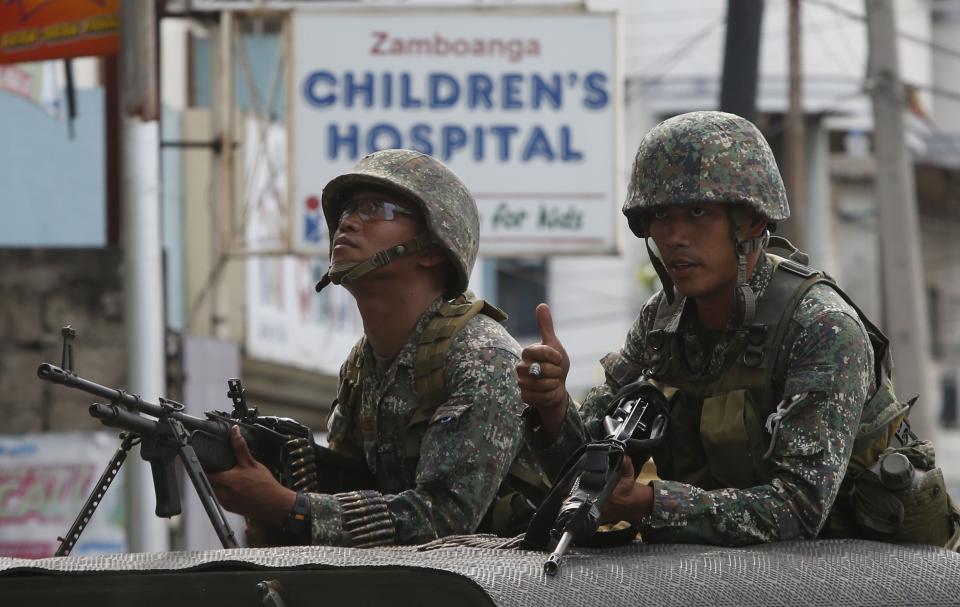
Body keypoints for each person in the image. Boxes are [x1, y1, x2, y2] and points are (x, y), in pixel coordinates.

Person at [519, 111, 959, 548]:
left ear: (751, 220)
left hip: (865, 567)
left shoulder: (822, 328)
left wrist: (650, 503)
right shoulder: (663, 322)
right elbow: (582, 469)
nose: (673, 236)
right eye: (660, 215)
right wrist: (554, 409)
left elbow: (798, 510)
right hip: (726, 571)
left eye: (696, 212)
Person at [210, 149, 545, 547]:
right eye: (349, 209)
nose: (348, 222)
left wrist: (290, 507)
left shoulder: (481, 356)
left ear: (433, 249)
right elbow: (350, 488)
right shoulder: (362, 365)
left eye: (377, 209)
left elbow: (445, 517)